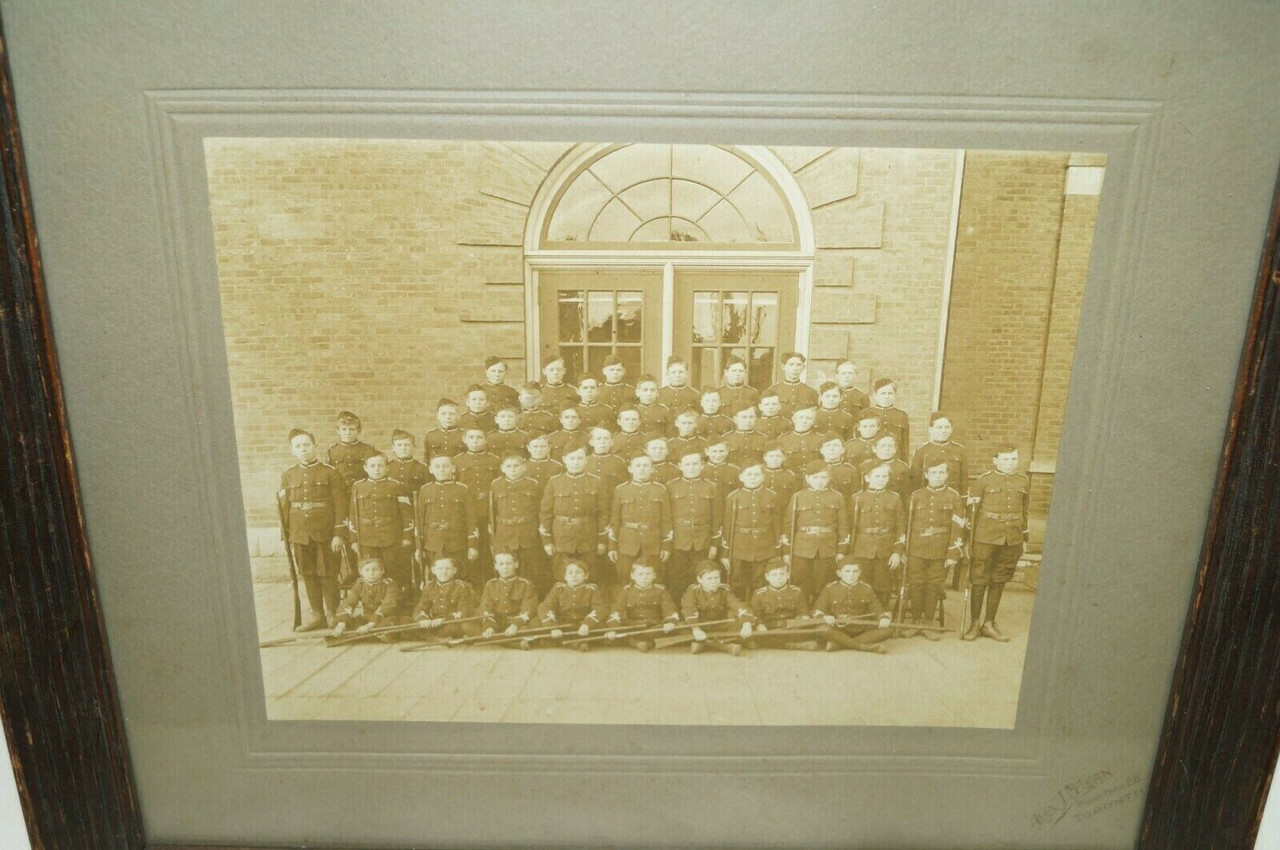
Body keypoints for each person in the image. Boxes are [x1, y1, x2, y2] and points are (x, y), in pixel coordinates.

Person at [279, 428, 347, 630]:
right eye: (298, 446)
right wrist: (286, 536)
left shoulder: (331, 473)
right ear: (292, 451)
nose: (303, 450)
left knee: (328, 572)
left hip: (325, 532)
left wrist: (339, 533)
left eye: (307, 445)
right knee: (307, 573)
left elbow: (341, 505)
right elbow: (284, 507)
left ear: (315, 447)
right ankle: (317, 615)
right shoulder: (288, 475)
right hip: (300, 533)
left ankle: (332, 613)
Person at [963, 445, 1029, 642]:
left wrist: (1024, 539)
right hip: (985, 536)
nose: (1010, 463)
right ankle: (974, 623)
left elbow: (1025, 511)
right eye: (1006, 459)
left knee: (999, 580)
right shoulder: (982, 481)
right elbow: (970, 514)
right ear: (995, 460)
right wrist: (968, 540)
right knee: (979, 579)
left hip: (1012, 538)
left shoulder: (1023, 480)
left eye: (1014, 459)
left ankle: (989, 623)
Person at [905, 460, 965, 640]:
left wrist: (953, 552)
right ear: (926, 475)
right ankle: (916, 621)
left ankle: (928, 622)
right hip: (916, 547)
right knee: (916, 583)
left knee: (933, 584)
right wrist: (905, 550)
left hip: (940, 549)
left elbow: (958, 526)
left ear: (947, 475)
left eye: (941, 472)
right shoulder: (915, 496)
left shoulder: (954, 497)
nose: (937, 476)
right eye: (933, 472)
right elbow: (906, 525)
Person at [539, 443, 609, 592]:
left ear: (586, 460)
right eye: (572, 458)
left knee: (589, 573)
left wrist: (602, 541)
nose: (576, 462)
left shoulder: (596, 482)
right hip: (562, 536)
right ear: (564, 459)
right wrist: (547, 540)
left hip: (588, 535)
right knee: (561, 573)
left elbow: (603, 513)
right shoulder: (554, 482)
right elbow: (546, 513)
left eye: (580, 458)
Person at [347, 452, 414, 601]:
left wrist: (406, 537)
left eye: (380, 465)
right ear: (365, 468)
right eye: (372, 466)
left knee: (392, 572)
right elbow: (353, 514)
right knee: (370, 572)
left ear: (386, 467)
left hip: (391, 537)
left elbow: (406, 514)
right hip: (366, 538)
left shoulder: (397, 486)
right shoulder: (358, 487)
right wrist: (353, 539)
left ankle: (394, 605)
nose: (376, 469)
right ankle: (372, 606)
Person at [783, 460, 850, 602]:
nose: (819, 481)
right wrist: (786, 551)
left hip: (827, 547)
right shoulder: (798, 497)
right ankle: (803, 613)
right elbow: (789, 525)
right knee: (801, 582)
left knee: (823, 583)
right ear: (807, 478)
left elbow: (843, 525)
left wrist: (841, 550)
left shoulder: (837, 497)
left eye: (823, 477)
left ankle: (820, 612)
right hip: (801, 547)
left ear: (829, 478)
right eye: (815, 477)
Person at [665, 450, 722, 604]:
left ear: (702, 466)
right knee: (677, 580)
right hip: (678, 541)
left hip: (702, 541)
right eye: (687, 464)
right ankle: (678, 613)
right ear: (680, 466)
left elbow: (716, 518)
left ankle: (699, 610)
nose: (691, 467)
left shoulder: (711, 487)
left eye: (695, 463)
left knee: (700, 578)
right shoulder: (671, 486)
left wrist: (714, 544)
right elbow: (666, 517)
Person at [608, 453, 672, 586]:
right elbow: (615, 520)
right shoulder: (621, 490)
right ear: (630, 469)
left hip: (653, 542)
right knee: (624, 577)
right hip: (627, 542)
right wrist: (612, 546)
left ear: (652, 469)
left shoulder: (661, 490)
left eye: (645, 465)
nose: (641, 469)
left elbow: (666, 520)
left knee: (655, 578)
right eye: (637, 465)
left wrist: (666, 545)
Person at [848, 463, 907, 609]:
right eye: (877, 476)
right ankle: (861, 616)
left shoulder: (895, 498)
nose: (881, 479)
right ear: (867, 478)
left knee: (883, 587)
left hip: (885, 549)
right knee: (862, 584)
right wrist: (850, 553)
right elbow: (850, 527)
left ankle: (881, 616)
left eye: (884, 476)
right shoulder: (857, 498)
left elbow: (900, 527)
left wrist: (897, 552)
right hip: (862, 549)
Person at [489, 454, 549, 596]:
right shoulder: (496, 485)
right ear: (502, 468)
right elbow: (493, 513)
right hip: (505, 534)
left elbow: (541, 510)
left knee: (532, 571)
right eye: (508, 466)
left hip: (528, 533)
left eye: (516, 466)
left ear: (524, 467)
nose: (513, 469)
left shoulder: (533, 484)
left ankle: (532, 601)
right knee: (506, 570)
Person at [721, 461, 782, 599]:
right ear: (741, 477)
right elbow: (727, 526)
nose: (752, 477)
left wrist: (778, 550)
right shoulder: (733, 497)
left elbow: (777, 524)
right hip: (739, 546)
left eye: (756, 474)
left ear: (762, 477)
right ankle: (742, 613)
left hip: (764, 545)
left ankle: (758, 611)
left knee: (760, 581)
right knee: (738, 582)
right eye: (749, 474)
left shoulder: (772, 496)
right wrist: (725, 553)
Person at [415, 455, 480, 584]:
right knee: (435, 576)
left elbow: (471, 519)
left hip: (457, 542)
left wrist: (472, 545)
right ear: (430, 469)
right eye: (437, 466)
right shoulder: (425, 490)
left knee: (460, 575)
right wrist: (419, 546)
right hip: (433, 542)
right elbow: (420, 521)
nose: (441, 469)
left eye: (445, 466)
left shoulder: (462, 489)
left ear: (453, 469)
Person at [812, 561, 894, 653]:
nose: (851, 575)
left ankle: (840, 643)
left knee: (888, 629)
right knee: (822, 629)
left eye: (855, 571)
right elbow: (817, 610)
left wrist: (883, 618)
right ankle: (864, 646)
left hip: (860, 628)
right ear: (839, 573)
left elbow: (877, 608)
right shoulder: (830, 588)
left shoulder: (867, 589)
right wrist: (825, 617)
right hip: (839, 628)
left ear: (860, 573)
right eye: (847, 571)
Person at [681, 562, 753, 655]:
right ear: (699, 579)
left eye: (716, 578)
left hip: (720, 626)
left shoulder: (725, 590)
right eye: (709, 578)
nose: (714, 581)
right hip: (700, 625)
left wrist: (746, 623)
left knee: (744, 624)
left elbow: (737, 605)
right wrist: (696, 629)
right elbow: (689, 609)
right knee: (681, 628)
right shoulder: (692, 591)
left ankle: (703, 644)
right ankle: (726, 646)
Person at [454, 428, 501, 571]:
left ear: (486, 440)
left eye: (479, 437)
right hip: (466, 512)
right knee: (469, 550)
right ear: (464, 439)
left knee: (488, 550)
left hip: (488, 511)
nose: (475, 440)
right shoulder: (456, 461)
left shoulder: (496, 460)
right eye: (471, 437)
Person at [604, 561, 678, 652]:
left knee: (677, 629)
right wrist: (613, 628)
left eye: (648, 574)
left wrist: (670, 622)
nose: (644, 577)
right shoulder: (626, 591)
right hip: (633, 626)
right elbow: (616, 611)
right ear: (632, 576)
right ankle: (645, 643)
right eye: (640, 574)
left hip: (654, 626)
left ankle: (636, 641)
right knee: (609, 634)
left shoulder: (660, 590)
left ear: (654, 575)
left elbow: (669, 608)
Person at [536, 560, 608, 651]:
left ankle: (566, 641)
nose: (574, 575)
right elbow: (545, 607)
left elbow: (600, 608)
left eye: (578, 572)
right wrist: (552, 627)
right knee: (538, 622)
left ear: (586, 576)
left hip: (582, 624)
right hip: (563, 624)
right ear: (565, 577)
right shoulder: (559, 588)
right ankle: (578, 642)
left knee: (603, 626)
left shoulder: (592, 589)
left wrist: (587, 624)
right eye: (570, 573)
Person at [749, 559, 820, 650]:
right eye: (774, 574)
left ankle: (769, 644)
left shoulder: (796, 592)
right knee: (755, 632)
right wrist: (760, 625)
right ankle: (792, 645)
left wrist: (796, 623)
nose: (778, 577)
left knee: (808, 631)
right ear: (767, 577)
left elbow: (803, 613)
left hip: (791, 629)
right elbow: (756, 615)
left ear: (787, 575)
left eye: (782, 574)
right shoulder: (759, 594)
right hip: (769, 629)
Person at [477, 551, 539, 646]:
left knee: (527, 629)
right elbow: (485, 607)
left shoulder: (526, 584)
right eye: (501, 564)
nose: (505, 567)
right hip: (497, 623)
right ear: (495, 566)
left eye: (508, 563)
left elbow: (528, 608)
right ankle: (515, 643)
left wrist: (515, 625)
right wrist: (490, 626)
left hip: (517, 623)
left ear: (516, 564)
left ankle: (495, 640)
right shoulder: (491, 584)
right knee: (469, 626)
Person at [411, 557, 481, 640]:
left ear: (454, 570)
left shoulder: (461, 587)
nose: (444, 572)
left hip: (451, 623)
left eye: (448, 568)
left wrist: (444, 619)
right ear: (433, 570)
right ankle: (436, 638)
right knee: (409, 623)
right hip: (434, 624)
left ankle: (433, 638)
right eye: (440, 568)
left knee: (460, 627)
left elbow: (464, 611)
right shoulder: (429, 587)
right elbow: (420, 608)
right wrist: (423, 619)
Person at [331, 558, 400, 639]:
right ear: (361, 572)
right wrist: (341, 623)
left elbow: (388, 605)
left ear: (382, 571)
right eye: (367, 570)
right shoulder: (360, 583)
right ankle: (372, 634)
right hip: (367, 617)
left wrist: (370, 625)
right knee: (340, 622)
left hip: (384, 617)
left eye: (375, 569)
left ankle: (376, 634)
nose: (371, 573)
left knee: (389, 624)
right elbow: (350, 601)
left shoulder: (389, 584)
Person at [909, 412, 967, 494]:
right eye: (939, 427)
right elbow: (915, 480)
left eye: (947, 427)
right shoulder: (922, 450)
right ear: (930, 430)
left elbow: (964, 480)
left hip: (952, 500)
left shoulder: (959, 450)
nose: (943, 431)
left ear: (951, 430)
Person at [326, 410, 378, 489]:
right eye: (344, 429)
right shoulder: (332, 450)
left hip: (363, 490)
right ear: (338, 431)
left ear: (358, 431)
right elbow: (329, 475)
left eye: (352, 429)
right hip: (341, 491)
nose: (348, 432)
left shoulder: (367, 449)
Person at [861, 378, 909, 460]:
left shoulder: (902, 416)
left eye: (890, 393)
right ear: (875, 396)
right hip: (871, 458)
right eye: (883, 393)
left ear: (895, 395)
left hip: (894, 459)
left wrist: (904, 463)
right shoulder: (865, 414)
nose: (886, 396)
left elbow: (904, 445)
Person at [766, 352, 819, 418]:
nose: (795, 368)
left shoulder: (811, 392)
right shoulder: (773, 390)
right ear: (783, 367)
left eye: (798, 365)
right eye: (791, 364)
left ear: (803, 368)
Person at [387, 430, 432, 504]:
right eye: (399, 445)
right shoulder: (388, 467)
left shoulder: (422, 468)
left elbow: (427, 492)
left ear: (413, 447)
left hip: (413, 508)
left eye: (407, 445)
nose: (403, 448)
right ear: (393, 448)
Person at [585, 427, 628, 502]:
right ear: (591, 442)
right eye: (598, 438)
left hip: (609, 503)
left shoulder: (619, 462)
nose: (603, 441)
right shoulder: (584, 461)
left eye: (606, 438)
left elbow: (624, 488)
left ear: (612, 442)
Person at [778, 404, 824, 471]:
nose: (804, 421)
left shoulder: (821, 439)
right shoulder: (782, 440)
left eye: (808, 418)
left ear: (813, 421)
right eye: (801, 417)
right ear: (793, 419)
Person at [702, 435, 741, 507]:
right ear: (706, 451)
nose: (718, 455)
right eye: (714, 451)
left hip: (727, 508)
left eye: (721, 451)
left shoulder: (734, 470)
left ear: (727, 451)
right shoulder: (701, 469)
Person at [725, 404, 768, 469]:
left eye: (751, 417)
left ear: (756, 418)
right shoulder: (726, 438)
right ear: (735, 419)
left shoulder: (763, 438)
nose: (748, 420)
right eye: (744, 417)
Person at [819, 433, 860, 500]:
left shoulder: (850, 470)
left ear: (843, 450)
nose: (831, 448)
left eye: (836, 445)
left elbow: (855, 495)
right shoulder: (815, 470)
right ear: (822, 450)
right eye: (828, 445)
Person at [424, 397, 465, 462]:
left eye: (452, 414)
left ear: (458, 416)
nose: (448, 417)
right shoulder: (430, 435)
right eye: (443, 414)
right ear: (438, 416)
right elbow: (427, 459)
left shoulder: (464, 434)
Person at [761, 441, 802, 507]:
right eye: (771, 456)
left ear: (784, 457)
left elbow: (794, 499)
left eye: (778, 456)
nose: (775, 459)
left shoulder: (790, 475)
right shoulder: (758, 474)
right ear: (765, 457)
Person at [634, 374, 672, 438]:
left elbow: (670, 435)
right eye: (645, 390)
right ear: (637, 392)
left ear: (657, 393)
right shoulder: (633, 411)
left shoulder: (664, 411)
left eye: (652, 390)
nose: (649, 393)